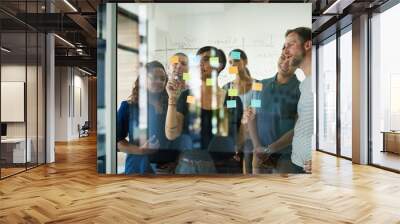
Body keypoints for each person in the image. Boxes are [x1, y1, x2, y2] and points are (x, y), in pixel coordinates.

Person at [165, 46, 243, 174]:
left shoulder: (232, 98)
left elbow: (240, 138)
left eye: (206, 59)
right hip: (189, 168)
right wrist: (172, 99)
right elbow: (171, 134)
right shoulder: (186, 96)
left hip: (223, 170)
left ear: (219, 66)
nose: (200, 63)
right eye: (198, 60)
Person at [245, 52, 300, 174]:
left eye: (291, 60)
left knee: (281, 191)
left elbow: (298, 129)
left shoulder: (301, 90)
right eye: (283, 57)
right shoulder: (260, 85)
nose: (285, 63)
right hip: (259, 154)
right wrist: (257, 146)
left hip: (286, 156)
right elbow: (252, 116)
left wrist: (270, 150)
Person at [283, 27, 313, 173]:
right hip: (297, 162)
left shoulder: (318, 83)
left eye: (290, 45)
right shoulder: (304, 85)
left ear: (307, 45)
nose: (285, 51)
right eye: (284, 46)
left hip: (307, 167)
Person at [227, 49, 253, 173]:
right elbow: (228, 112)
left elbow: (257, 107)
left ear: (245, 61)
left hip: (251, 136)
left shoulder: (257, 85)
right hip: (233, 136)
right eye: (230, 62)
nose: (233, 65)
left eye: (236, 60)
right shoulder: (227, 88)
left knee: (249, 166)